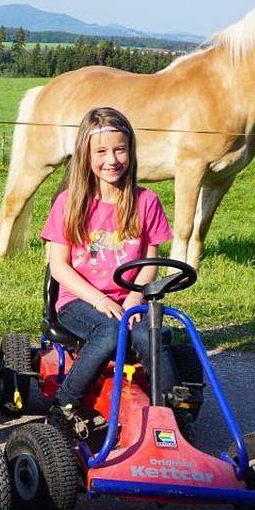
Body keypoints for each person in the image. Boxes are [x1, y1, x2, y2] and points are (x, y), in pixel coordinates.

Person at [39, 107, 179, 434]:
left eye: (120, 150)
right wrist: (99, 300)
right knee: (111, 332)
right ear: (86, 156)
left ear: (131, 151)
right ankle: (64, 404)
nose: (112, 160)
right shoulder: (69, 202)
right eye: (101, 152)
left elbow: (150, 262)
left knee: (148, 334)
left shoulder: (146, 201)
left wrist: (134, 299)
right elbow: (58, 265)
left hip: (129, 299)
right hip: (79, 300)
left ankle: (172, 410)